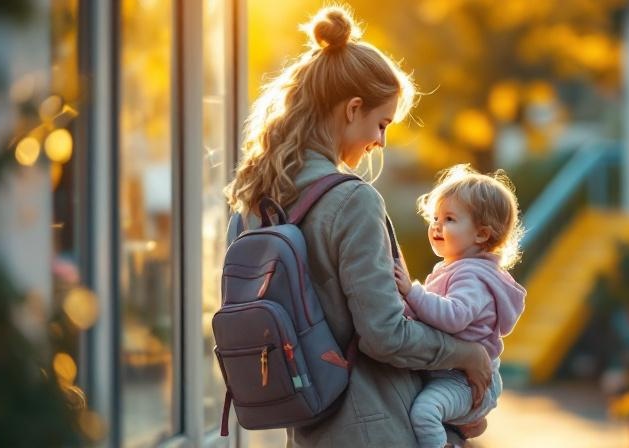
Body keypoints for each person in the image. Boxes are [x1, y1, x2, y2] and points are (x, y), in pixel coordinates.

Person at [223, 6, 492, 447]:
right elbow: (385, 335)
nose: (381, 142)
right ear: (352, 109)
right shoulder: (352, 200)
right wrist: (467, 356)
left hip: (309, 429)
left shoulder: (253, 199)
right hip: (379, 427)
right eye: (381, 124)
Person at [393, 164, 527, 448]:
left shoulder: (472, 276)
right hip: (455, 375)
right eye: (435, 217)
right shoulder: (455, 268)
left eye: (450, 219)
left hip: (464, 381)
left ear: (481, 234)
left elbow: (453, 317)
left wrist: (411, 292)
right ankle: (467, 425)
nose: (436, 226)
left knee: (425, 412)